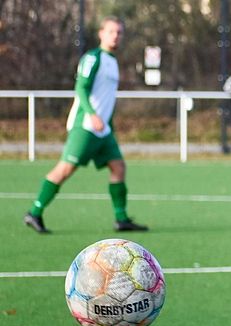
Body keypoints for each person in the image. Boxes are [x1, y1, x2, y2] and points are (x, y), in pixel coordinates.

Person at [23, 16, 147, 234]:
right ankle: (35, 212)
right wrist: (92, 115)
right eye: (111, 31)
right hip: (86, 126)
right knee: (65, 169)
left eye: (119, 32)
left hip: (103, 130)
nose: (115, 36)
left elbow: (106, 99)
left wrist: (108, 124)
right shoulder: (92, 58)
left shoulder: (113, 61)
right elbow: (81, 88)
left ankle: (121, 219)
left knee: (118, 167)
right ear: (101, 33)